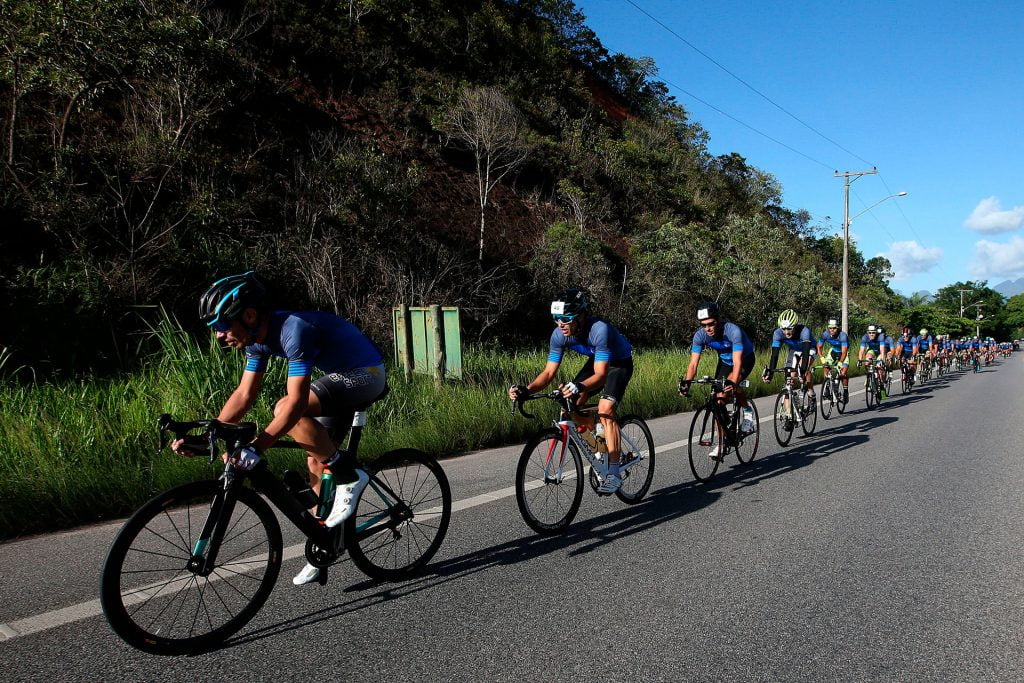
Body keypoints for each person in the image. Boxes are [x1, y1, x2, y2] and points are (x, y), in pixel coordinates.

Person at [178, 271, 388, 585]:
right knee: (314, 458)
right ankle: (327, 540)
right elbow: (244, 394)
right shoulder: (257, 342)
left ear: (249, 315)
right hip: (338, 380)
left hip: (365, 375)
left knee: (284, 408)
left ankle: (349, 474)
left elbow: (296, 400)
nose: (219, 336)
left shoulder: (295, 330)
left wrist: (257, 447)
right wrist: (211, 437)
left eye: (221, 326)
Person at [508, 288, 633, 494]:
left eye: (566, 318)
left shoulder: (599, 330)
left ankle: (614, 472)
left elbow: (601, 375)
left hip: (619, 364)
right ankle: (599, 437)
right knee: (571, 401)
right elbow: (548, 373)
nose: (561, 324)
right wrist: (526, 390)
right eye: (557, 318)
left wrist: (579, 385)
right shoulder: (559, 335)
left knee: (605, 408)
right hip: (598, 360)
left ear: (581, 316)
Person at [679, 301, 757, 460]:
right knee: (717, 400)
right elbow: (693, 364)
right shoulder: (700, 336)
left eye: (711, 324)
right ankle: (721, 444)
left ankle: (748, 413)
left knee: (731, 387)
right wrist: (686, 383)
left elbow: (738, 363)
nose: (707, 328)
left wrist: (732, 383)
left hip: (744, 359)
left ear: (718, 319)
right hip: (725, 362)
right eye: (703, 325)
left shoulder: (733, 331)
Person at [763, 309, 815, 411]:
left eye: (789, 329)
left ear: (795, 326)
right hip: (794, 350)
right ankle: (788, 415)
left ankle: (811, 393)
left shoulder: (804, 331)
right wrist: (770, 374)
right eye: (784, 329)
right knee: (789, 379)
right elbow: (774, 355)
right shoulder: (777, 333)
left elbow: (805, 353)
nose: (786, 332)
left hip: (809, 349)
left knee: (803, 368)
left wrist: (803, 371)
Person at [817, 318, 850, 403]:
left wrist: (840, 363)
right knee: (826, 365)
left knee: (843, 373)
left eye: (834, 328)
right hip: (833, 352)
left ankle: (845, 392)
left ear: (837, 328)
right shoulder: (825, 334)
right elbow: (819, 346)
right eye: (830, 328)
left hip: (843, 353)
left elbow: (844, 352)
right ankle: (827, 386)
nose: (832, 330)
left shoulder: (842, 335)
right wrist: (822, 358)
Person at [858, 325, 889, 396]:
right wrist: (859, 360)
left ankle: (882, 387)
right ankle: (869, 376)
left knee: (880, 369)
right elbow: (861, 350)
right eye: (870, 332)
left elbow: (882, 350)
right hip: (872, 351)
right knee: (867, 360)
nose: (871, 334)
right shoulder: (865, 337)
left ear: (876, 332)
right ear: (867, 333)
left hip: (879, 351)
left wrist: (882, 360)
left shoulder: (880, 337)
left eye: (873, 333)